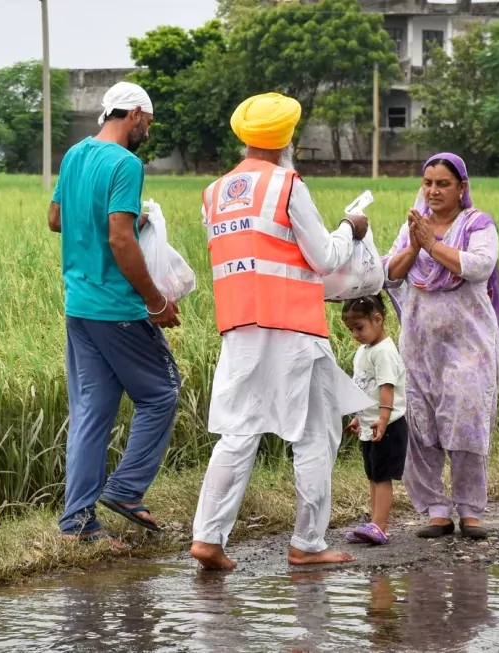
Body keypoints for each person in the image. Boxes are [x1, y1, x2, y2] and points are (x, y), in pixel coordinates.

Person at [190, 92, 370, 570]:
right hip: (292, 327)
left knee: (238, 431)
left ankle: (208, 537)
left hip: (239, 325)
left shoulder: (214, 193)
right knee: (316, 434)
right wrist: (350, 228)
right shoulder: (287, 184)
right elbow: (325, 258)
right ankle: (308, 544)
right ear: (287, 138)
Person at [48, 81, 182, 548]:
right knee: (162, 392)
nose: (148, 128)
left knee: (92, 411)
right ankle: (125, 490)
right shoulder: (126, 163)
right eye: (148, 120)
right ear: (136, 115)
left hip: (79, 307)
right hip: (117, 308)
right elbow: (121, 241)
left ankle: (77, 523)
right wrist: (156, 301)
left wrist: (121, 217)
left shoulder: (75, 155)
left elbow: (56, 219)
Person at [384, 152, 499, 540]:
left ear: (461, 188)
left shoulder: (477, 224)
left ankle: (470, 510)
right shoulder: (414, 227)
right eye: (428, 183)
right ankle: (436, 510)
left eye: (444, 184)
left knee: (466, 419)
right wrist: (416, 246)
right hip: (419, 344)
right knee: (420, 425)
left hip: (468, 344)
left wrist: (432, 245)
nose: (434, 191)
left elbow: (479, 266)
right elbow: (389, 272)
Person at [342, 294, 408, 546]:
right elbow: (364, 387)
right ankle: (374, 523)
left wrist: (382, 418)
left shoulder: (384, 352)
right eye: (351, 329)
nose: (355, 334)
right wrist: (359, 417)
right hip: (370, 426)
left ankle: (380, 526)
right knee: (373, 475)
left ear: (378, 319)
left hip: (387, 426)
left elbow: (387, 388)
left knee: (382, 477)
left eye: (359, 328)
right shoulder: (364, 351)